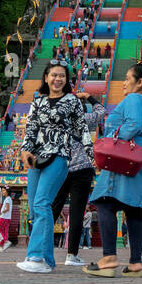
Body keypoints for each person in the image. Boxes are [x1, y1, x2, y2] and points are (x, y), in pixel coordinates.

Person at [84, 62, 142, 277]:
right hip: (141, 157)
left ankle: (109, 257)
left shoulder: (133, 98)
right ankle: (135, 263)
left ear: (139, 82)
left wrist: (113, 140)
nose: (123, 83)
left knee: (104, 201)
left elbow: (134, 124)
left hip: (125, 157)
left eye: (127, 78)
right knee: (133, 208)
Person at [17, 62, 85, 274]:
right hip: (36, 158)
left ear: (67, 79)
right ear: (46, 77)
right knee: (35, 206)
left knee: (42, 202)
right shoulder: (38, 101)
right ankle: (47, 259)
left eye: (62, 76)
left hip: (58, 156)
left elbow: (81, 129)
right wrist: (25, 150)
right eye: (54, 75)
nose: (58, 79)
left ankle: (35, 256)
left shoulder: (72, 101)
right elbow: (31, 129)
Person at [50, 90, 105, 267]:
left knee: (52, 208)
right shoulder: (83, 119)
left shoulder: (58, 120)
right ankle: (71, 255)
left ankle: (39, 249)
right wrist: (88, 96)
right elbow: (101, 111)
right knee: (76, 213)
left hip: (61, 168)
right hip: (82, 169)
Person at [0, 186, 13, 252]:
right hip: (7, 218)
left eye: (3, 190)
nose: (2, 192)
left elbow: (7, 208)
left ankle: (6, 241)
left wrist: (1, 212)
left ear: (7, 191)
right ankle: (3, 247)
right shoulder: (8, 199)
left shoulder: (7, 199)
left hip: (4, 217)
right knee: (4, 231)